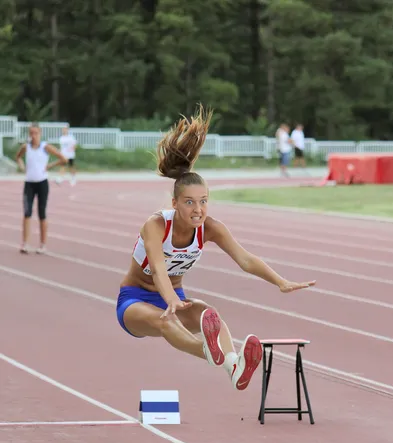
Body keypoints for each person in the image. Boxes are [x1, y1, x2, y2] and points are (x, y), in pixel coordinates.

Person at [116, 106, 316, 391]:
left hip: (177, 296)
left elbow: (245, 259)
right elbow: (158, 268)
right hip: (135, 301)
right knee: (166, 322)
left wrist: (280, 282)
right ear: (174, 203)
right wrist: (170, 298)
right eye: (189, 202)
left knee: (209, 314)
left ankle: (234, 368)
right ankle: (208, 352)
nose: (198, 209)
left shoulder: (211, 228)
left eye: (203, 201)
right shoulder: (156, 225)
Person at [16, 123, 67, 254]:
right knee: (27, 213)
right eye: (31, 133)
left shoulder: (45, 147)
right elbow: (18, 157)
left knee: (41, 213)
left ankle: (42, 244)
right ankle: (25, 243)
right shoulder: (25, 147)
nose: (33, 136)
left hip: (42, 183)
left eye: (36, 133)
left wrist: (50, 165)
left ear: (40, 133)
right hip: (29, 183)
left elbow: (63, 159)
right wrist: (21, 166)